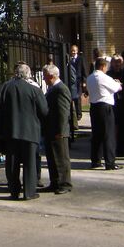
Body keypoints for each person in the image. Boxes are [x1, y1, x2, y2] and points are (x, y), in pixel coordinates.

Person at [0, 62, 48, 200]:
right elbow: (44, 111)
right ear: (28, 74)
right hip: (30, 131)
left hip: (10, 131)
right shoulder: (34, 90)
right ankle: (29, 192)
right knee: (29, 163)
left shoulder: (5, 88)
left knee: (12, 163)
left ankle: (14, 191)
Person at [41, 64, 73, 194]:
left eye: (45, 77)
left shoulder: (61, 89)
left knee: (61, 158)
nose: (44, 79)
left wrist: (60, 130)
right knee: (52, 157)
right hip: (51, 128)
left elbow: (63, 112)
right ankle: (55, 182)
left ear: (51, 76)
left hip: (58, 130)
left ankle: (65, 183)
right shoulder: (53, 88)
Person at [87, 57, 123, 170]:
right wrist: (117, 83)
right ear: (103, 66)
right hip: (105, 107)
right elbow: (117, 88)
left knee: (96, 134)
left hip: (94, 106)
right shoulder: (103, 77)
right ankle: (110, 162)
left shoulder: (90, 78)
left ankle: (96, 160)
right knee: (108, 135)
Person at [67, 45, 87, 123]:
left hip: (78, 81)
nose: (73, 52)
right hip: (71, 81)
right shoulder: (69, 59)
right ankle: (72, 114)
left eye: (74, 50)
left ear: (77, 51)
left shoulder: (81, 59)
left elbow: (84, 70)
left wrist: (84, 81)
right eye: (72, 50)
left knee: (78, 98)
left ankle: (79, 114)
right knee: (72, 97)